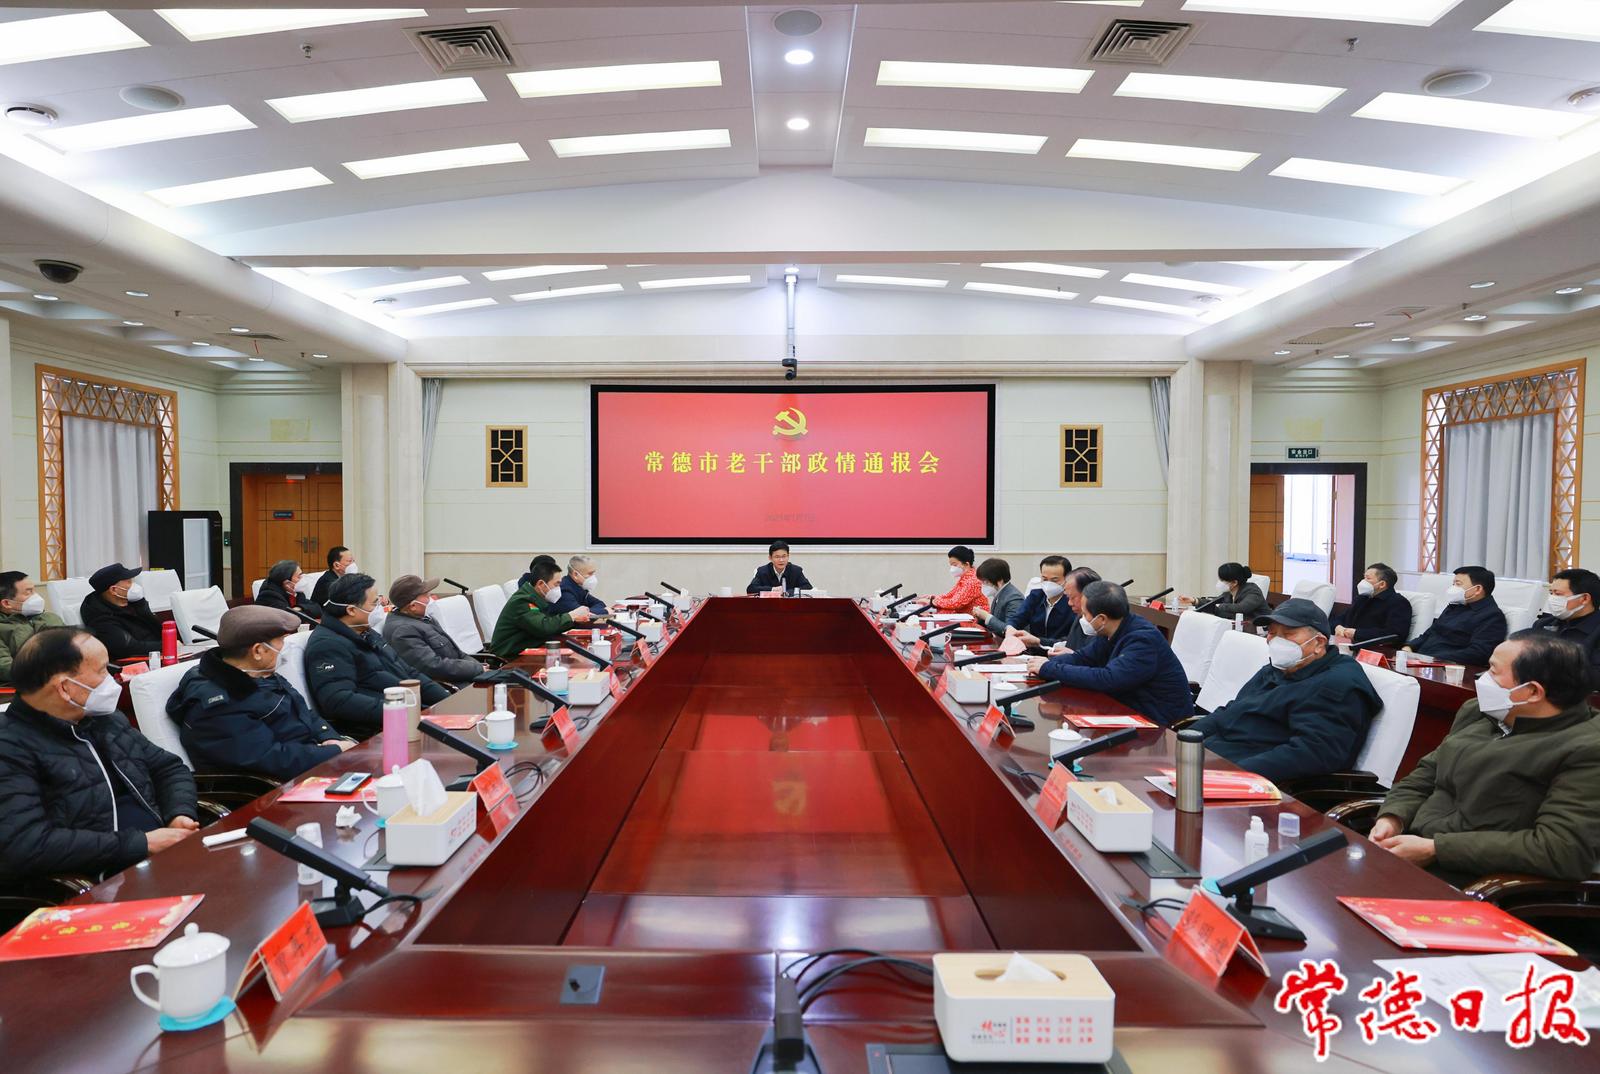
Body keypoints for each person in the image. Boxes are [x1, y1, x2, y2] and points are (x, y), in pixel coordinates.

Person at [1372, 631, 1600, 885]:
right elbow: (1424, 776)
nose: (1482, 678)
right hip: (1408, 852)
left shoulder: (1586, 748)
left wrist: (1436, 848)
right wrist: (1393, 817)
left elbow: (1562, 849)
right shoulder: (1480, 713)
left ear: (1532, 692)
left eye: (1493, 671)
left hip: (1475, 879)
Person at [0, 627, 198, 883]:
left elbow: (168, 768)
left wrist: (179, 814)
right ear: (65, 688)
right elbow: (27, 844)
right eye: (103, 670)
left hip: (161, 855)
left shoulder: (105, 719)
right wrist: (141, 843)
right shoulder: (10, 746)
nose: (112, 679)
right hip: (98, 880)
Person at [1186, 598, 1382, 784]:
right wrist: (1185, 740)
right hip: (1210, 758)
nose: (1277, 641)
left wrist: (1233, 775)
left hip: (1249, 778)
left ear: (1319, 642)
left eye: (1288, 634)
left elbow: (1314, 753)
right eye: (1272, 633)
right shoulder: (1280, 667)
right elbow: (1233, 710)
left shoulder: (1337, 684)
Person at [167, 607, 354, 781]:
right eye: (281, 642)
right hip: (276, 788)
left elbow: (303, 711)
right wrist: (333, 752)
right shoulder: (219, 705)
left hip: (310, 763)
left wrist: (328, 737)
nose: (285, 649)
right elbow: (271, 759)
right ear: (257, 651)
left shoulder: (258, 673)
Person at [1025, 581, 1193, 726]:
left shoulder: (1142, 640)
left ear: (1102, 619)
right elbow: (1083, 658)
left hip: (1159, 723)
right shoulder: (1111, 629)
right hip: (1126, 710)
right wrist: (1046, 665)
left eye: (1085, 614)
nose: (1082, 619)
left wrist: (1049, 669)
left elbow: (1109, 679)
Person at [304, 573, 449, 739]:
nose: (379, 608)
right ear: (351, 610)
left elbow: (408, 672)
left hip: (408, 714)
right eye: (374, 603)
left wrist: (445, 701)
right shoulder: (327, 645)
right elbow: (338, 700)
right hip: (378, 730)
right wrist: (400, 712)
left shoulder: (365, 633)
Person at [382, 574, 488, 686]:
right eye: (426, 596)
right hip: (450, 686)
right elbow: (433, 666)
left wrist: (479, 668)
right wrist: (477, 669)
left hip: (464, 676)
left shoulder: (423, 618)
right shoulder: (402, 631)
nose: (431, 598)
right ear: (413, 606)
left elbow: (458, 654)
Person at [1404, 565, 1506, 667]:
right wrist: (1410, 646)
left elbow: (1478, 653)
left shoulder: (1492, 616)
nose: (1453, 588)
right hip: (1422, 661)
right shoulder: (1455, 605)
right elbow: (1431, 632)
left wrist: (1433, 659)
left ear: (1478, 589)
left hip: (1448, 667)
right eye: (1453, 584)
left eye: (1458, 584)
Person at [491, 557, 592, 658]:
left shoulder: (538, 597)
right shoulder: (522, 601)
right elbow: (544, 627)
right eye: (556, 584)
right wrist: (571, 616)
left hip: (529, 650)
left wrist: (574, 619)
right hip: (509, 658)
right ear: (540, 584)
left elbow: (550, 622)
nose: (559, 589)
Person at [79, 562, 161, 660]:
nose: (134, 585)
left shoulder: (133, 602)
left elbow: (157, 628)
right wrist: (167, 645)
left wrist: (141, 605)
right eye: (129, 582)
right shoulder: (101, 619)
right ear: (114, 590)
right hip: (139, 661)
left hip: (157, 652)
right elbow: (129, 648)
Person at [1531, 568, 1600, 683]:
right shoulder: (1542, 624)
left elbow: (1595, 677)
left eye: (1558, 594)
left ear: (1584, 599)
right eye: (1551, 593)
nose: (1552, 599)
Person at [0, 571, 64, 685]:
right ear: (7, 603)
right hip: (26, 686)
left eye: (34, 590)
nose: (36, 596)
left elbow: (70, 647)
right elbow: (5, 667)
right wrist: (48, 674)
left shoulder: (49, 618)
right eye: (28, 592)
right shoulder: (4, 628)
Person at [1331, 562, 1412, 646]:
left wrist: (1357, 633)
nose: (1363, 582)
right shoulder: (1362, 598)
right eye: (1364, 578)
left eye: (1368, 578)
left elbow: (1395, 635)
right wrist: (1338, 627)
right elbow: (1338, 619)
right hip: (1346, 644)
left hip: (1376, 649)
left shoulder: (1398, 603)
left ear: (1382, 584)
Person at [1005, 556, 1076, 644]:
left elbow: (1072, 640)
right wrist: (1010, 628)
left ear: (1067, 579)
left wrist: (1040, 642)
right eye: (1045, 579)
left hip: (1061, 650)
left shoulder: (1073, 603)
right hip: (1033, 650)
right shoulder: (1036, 596)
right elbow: (1018, 618)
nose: (1048, 584)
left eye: (1054, 580)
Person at [1181, 562, 1267, 621]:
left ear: (1234, 582)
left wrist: (1220, 606)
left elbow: (1241, 608)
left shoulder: (1253, 591)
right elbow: (1214, 604)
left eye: (1222, 580)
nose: (1220, 583)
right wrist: (1194, 600)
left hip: (1259, 632)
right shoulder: (1228, 593)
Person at [253, 559, 324, 621]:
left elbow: (317, 609)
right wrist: (302, 610)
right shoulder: (269, 595)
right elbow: (291, 618)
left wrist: (299, 607)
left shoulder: (296, 591)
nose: (302, 578)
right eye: (299, 576)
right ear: (287, 583)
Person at [927, 545, 989, 616]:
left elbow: (955, 603)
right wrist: (933, 598)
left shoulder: (973, 581)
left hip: (977, 619)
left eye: (954, 565)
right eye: (951, 565)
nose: (952, 568)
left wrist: (933, 602)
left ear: (966, 564)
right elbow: (951, 595)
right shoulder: (965, 578)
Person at [973, 558, 1023, 638]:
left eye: (986, 582)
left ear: (1000, 580)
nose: (983, 585)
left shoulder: (1014, 598)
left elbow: (1011, 630)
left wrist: (987, 617)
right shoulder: (999, 593)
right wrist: (981, 617)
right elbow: (994, 626)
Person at [746, 541, 813, 595]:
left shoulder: (796, 571)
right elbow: (751, 589)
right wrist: (772, 589)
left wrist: (787, 592)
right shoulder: (762, 571)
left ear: (788, 556)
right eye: (777, 557)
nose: (781, 560)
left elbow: (808, 587)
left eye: (784, 556)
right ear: (770, 558)